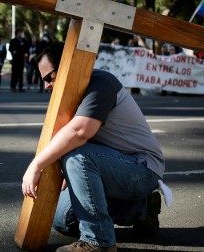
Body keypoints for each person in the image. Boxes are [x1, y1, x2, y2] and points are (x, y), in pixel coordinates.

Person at [21, 42, 166, 252]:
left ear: (67, 67)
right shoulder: (73, 93)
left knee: (78, 156)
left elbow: (80, 133)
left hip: (142, 169)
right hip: (113, 166)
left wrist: (35, 166)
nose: (46, 86)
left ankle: (99, 242)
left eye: (47, 78)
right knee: (64, 220)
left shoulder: (100, 82)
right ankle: (141, 209)